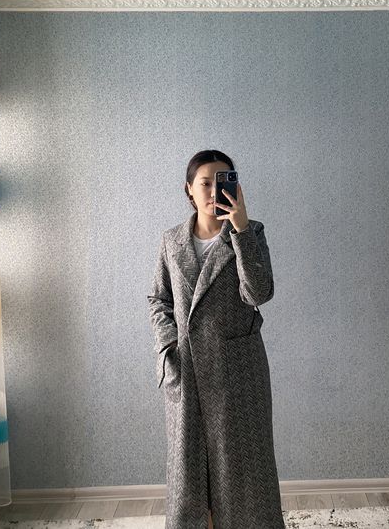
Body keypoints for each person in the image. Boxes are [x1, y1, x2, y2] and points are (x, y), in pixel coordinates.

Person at [147, 149, 286, 529]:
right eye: (204, 183)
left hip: (238, 371)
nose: (213, 191)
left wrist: (240, 230)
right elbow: (159, 298)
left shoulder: (252, 232)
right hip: (186, 369)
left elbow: (258, 293)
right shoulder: (171, 241)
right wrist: (168, 348)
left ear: (235, 187)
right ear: (189, 190)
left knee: (244, 468)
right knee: (190, 471)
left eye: (222, 182)